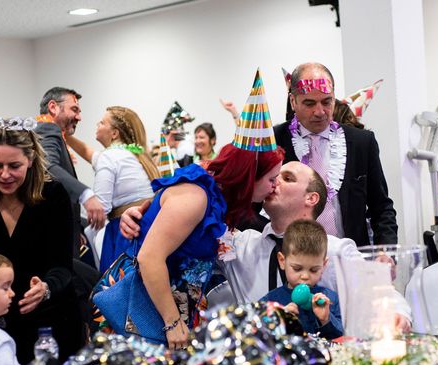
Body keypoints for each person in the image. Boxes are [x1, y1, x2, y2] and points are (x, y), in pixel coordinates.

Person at [120, 161, 412, 333]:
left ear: (311, 198)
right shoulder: (240, 244)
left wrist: (399, 317)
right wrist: (142, 217)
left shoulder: (335, 251)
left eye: (286, 178)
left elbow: (382, 293)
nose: (274, 183)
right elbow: (181, 226)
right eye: (273, 177)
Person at [99, 143, 284, 350]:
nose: (275, 185)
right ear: (249, 176)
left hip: (166, 308)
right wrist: (173, 323)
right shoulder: (196, 196)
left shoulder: (213, 195)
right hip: (142, 309)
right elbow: (149, 258)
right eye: (271, 178)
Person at [0, 118, 84, 364]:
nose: (5, 175)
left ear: (31, 160)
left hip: (50, 325)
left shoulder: (52, 196)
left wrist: (46, 288)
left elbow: (63, 265)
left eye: (14, 166)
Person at [273, 62, 398, 246]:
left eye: (326, 101)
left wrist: (386, 251)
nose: (320, 111)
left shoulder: (362, 142)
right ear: (293, 101)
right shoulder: (272, 140)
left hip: (349, 257)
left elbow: (381, 207)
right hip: (292, 261)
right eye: (309, 103)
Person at [66, 106, 159, 273]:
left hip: (125, 232)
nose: (97, 124)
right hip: (149, 227)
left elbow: (100, 209)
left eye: (102, 122)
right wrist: (65, 136)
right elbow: (88, 152)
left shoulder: (109, 157)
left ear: (114, 133)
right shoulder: (133, 155)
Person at [35, 87, 105, 255]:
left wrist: (76, 228)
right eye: (74, 109)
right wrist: (86, 195)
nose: (79, 117)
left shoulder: (52, 132)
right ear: (53, 107)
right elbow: (46, 165)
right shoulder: (47, 128)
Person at [260, 219, 342, 340]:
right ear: (282, 261)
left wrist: (326, 319)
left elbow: (343, 338)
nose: (305, 276)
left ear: (323, 265)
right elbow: (257, 334)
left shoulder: (329, 299)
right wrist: (279, 320)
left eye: (314, 270)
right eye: (297, 269)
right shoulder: (270, 301)